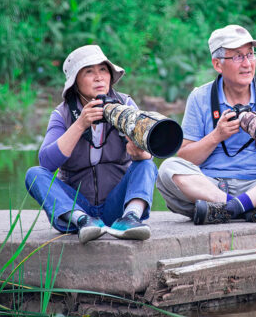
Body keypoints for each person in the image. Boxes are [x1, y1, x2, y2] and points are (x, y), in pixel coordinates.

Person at [157, 24, 256, 224]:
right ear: (217, 64)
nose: (247, 64)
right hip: (213, 187)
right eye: (238, 56)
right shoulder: (200, 97)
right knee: (168, 169)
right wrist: (216, 136)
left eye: (250, 54)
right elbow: (187, 157)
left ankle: (226, 210)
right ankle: (248, 208)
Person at [25, 45, 157, 243]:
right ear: (75, 82)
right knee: (34, 174)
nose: (99, 77)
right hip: (77, 207)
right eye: (89, 71)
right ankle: (84, 221)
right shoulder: (62, 114)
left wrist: (139, 153)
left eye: (103, 70)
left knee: (147, 164)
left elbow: (148, 154)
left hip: (116, 205)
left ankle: (131, 218)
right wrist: (80, 124)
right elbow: (46, 163)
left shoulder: (125, 105)